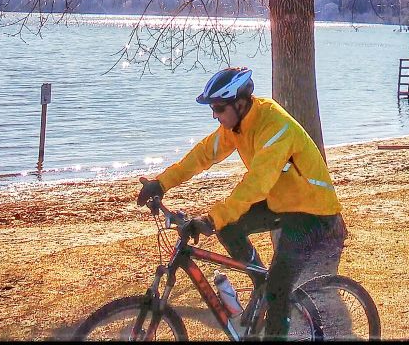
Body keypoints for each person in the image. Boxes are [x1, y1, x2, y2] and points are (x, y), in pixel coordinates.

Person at [136, 66, 346, 340]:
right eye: (213, 108)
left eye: (219, 108)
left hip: (313, 211)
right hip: (281, 200)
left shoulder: (274, 126)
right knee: (229, 226)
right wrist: (161, 183)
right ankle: (261, 283)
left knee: (277, 290)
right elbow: (202, 156)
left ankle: (271, 299)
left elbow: (257, 183)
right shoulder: (236, 125)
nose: (215, 115)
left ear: (240, 102)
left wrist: (212, 219)